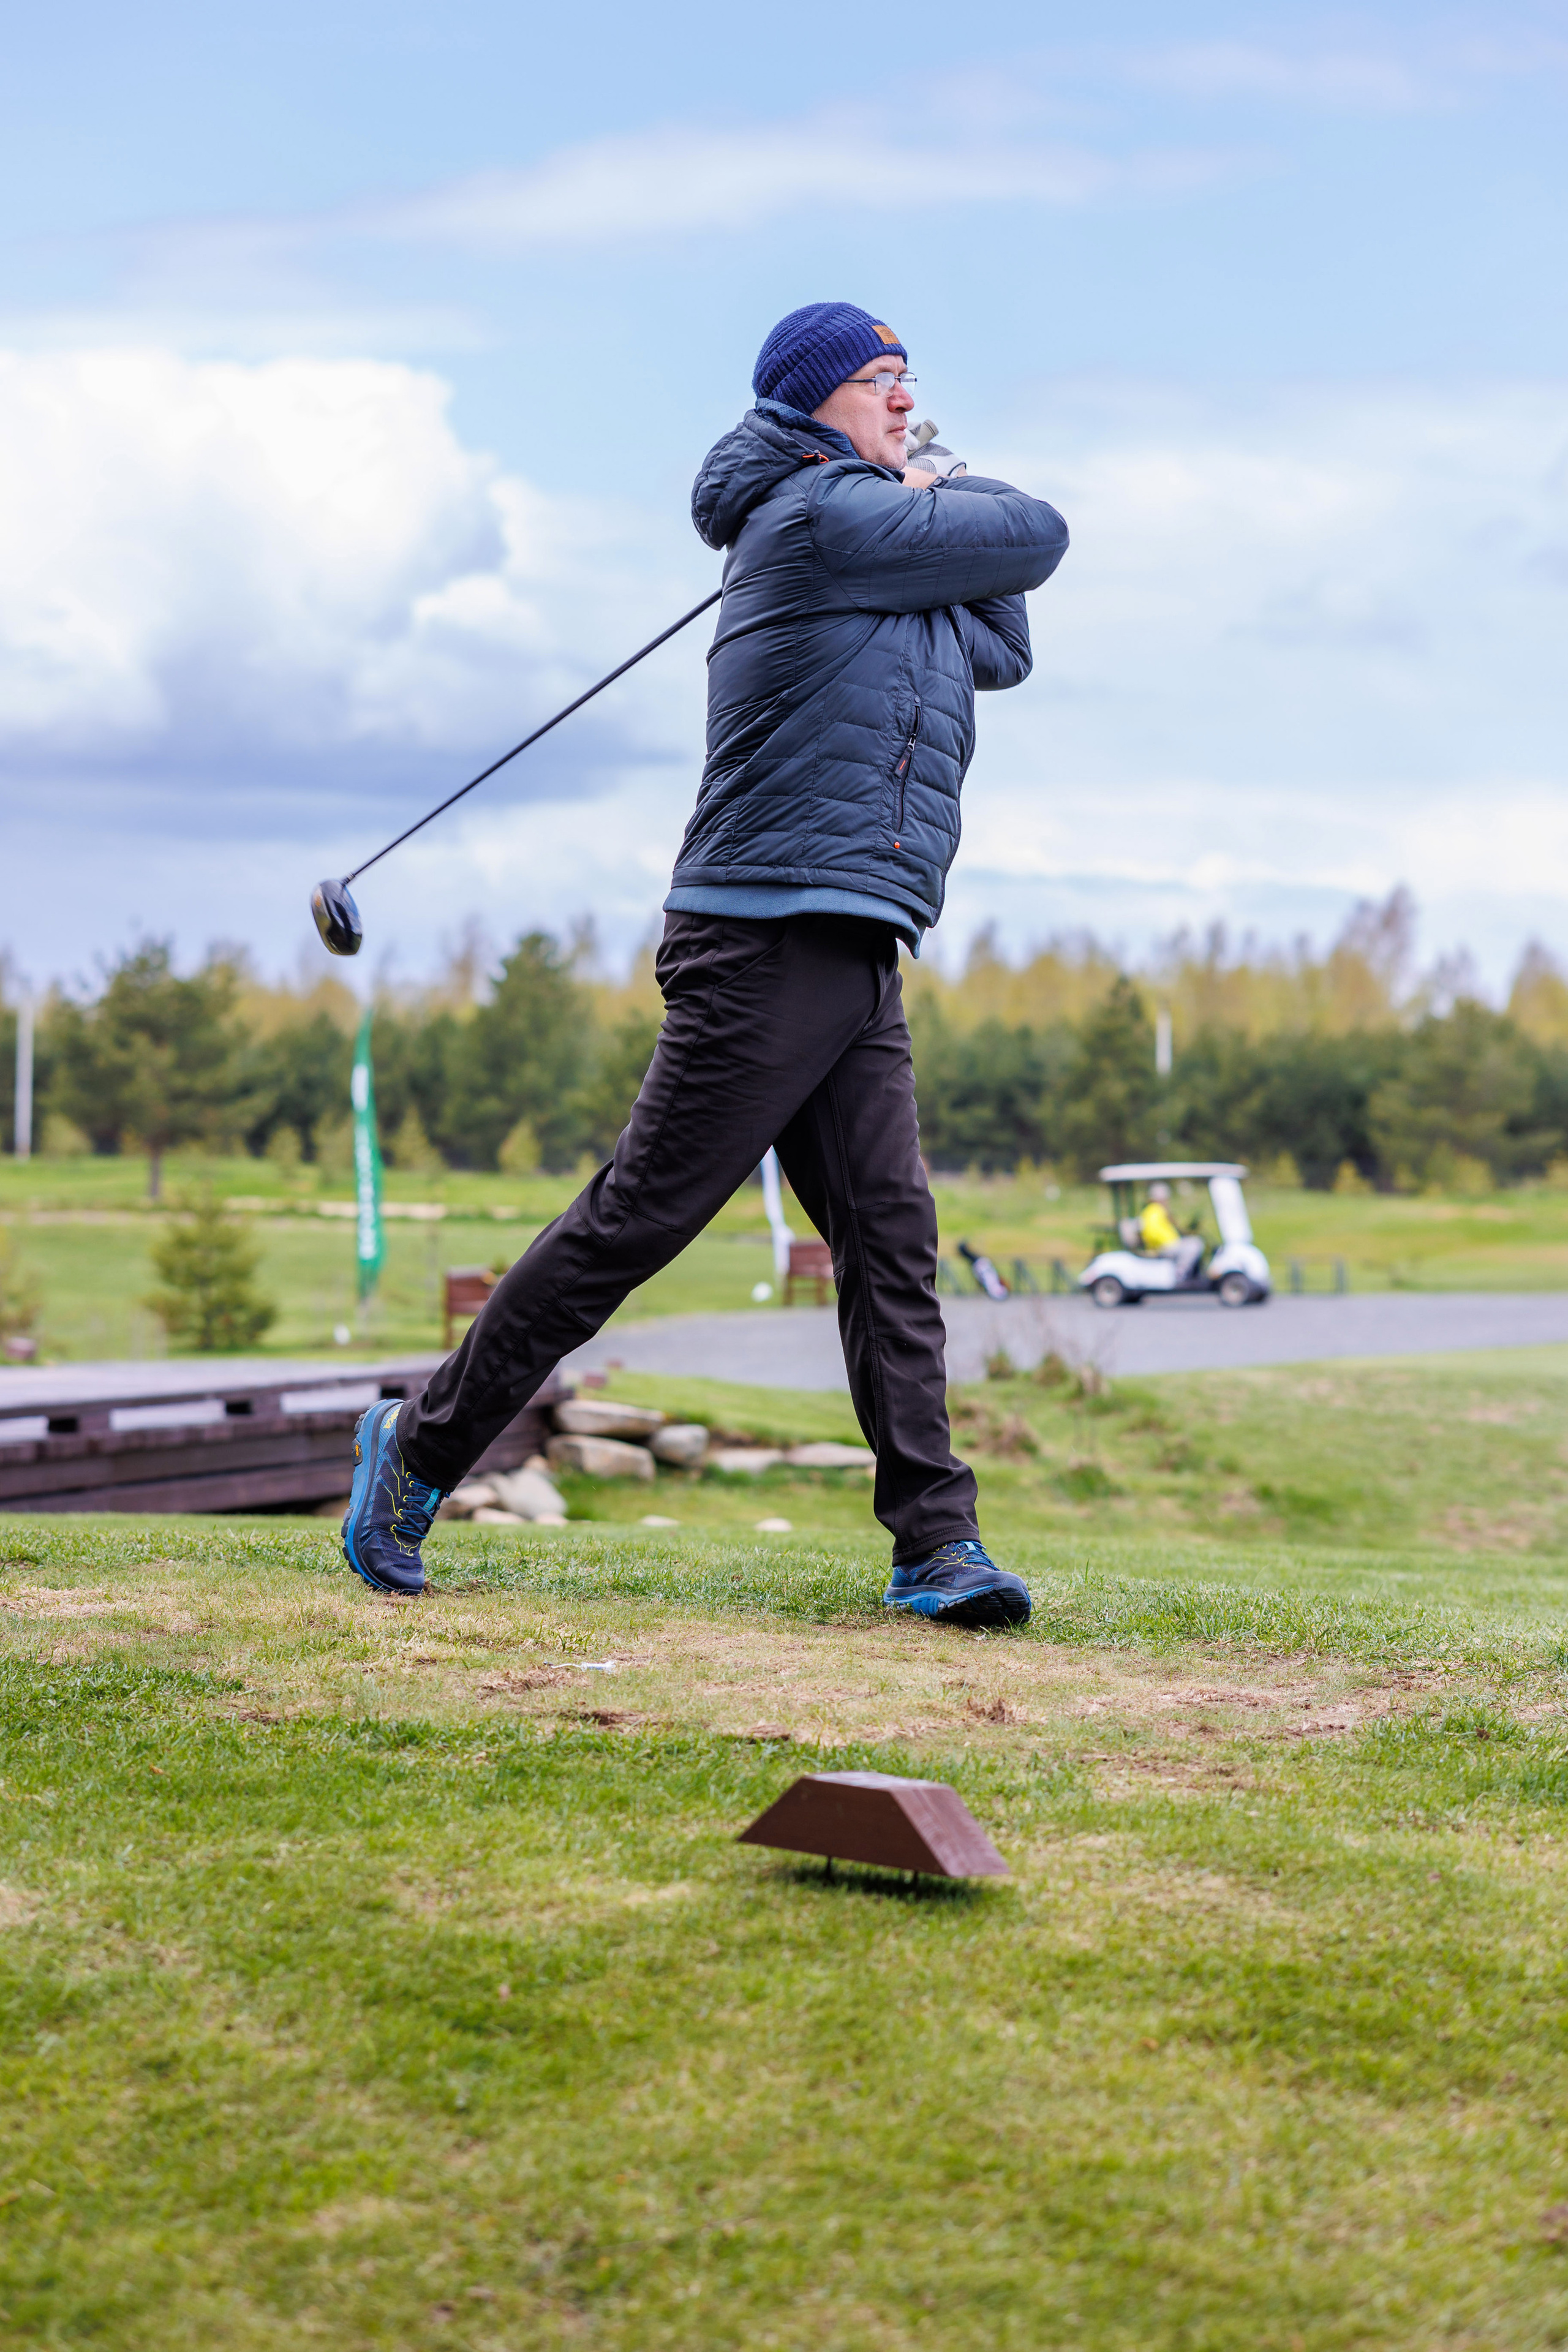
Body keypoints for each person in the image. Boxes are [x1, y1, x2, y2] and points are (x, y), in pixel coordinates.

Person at [342, 301, 1069, 1624]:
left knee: (891, 1242)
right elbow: (1037, 534)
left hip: (852, 935)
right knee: (640, 1220)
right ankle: (418, 1451)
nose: (906, 404)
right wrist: (945, 488)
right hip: (761, 932)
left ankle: (934, 1545)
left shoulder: (874, 535)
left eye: (912, 386)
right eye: (881, 385)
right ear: (810, 406)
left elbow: (1003, 640)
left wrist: (929, 496)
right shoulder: (815, 521)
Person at [1139, 1182, 1204, 1281]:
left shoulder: (1154, 1211)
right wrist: (1166, 1243)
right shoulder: (1155, 1211)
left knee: (1192, 1241)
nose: (1167, 1201)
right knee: (1196, 1244)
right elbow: (1152, 1233)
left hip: (1167, 1245)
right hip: (1164, 1246)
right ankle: (1180, 1274)